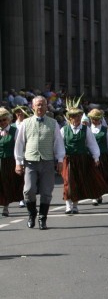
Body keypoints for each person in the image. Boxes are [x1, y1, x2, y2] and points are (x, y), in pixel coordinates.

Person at [14, 96, 65, 230]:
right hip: (30, 162)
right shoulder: (25, 123)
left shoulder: (53, 123)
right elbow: (19, 144)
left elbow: (58, 143)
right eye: (38, 105)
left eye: (42, 105)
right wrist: (18, 162)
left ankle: (42, 218)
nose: (40, 107)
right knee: (29, 190)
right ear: (33, 107)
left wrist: (60, 160)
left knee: (46, 191)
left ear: (46, 107)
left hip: (47, 162)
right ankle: (32, 214)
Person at [60, 107, 106, 214]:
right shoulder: (64, 130)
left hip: (81, 159)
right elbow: (58, 145)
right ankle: (68, 205)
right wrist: (59, 159)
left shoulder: (86, 130)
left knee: (78, 181)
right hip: (68, 158)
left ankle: (75, 205)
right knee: (68, 181)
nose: (77, 118)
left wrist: (96, 157)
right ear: (70, 118)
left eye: (79, 116)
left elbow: (92, 144)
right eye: (75, 116)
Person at [0, 108, 24, 217]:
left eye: (4, 119)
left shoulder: (15, 131)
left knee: (7, 183)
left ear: (9, 119)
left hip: (10, 161)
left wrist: (20, 162)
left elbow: (19, 146)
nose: (2, 122)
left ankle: (5, 206)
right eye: (0, 120)